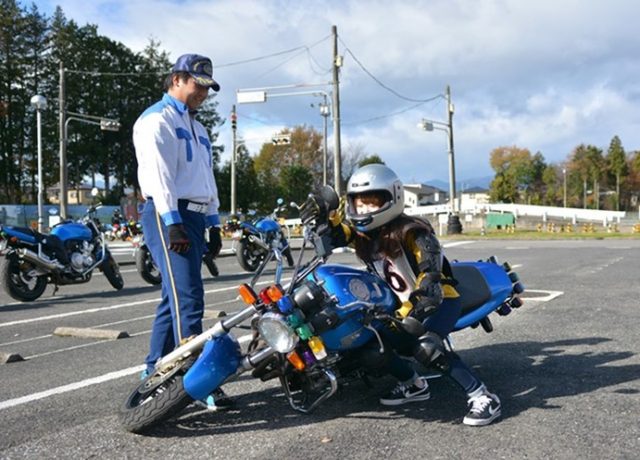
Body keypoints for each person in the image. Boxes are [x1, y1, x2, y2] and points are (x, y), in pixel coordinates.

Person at [300, 164, 501, 426]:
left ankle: (482, 395)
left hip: (439, 300)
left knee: (426, 347)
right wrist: (325, 213)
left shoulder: (412, 231)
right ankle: (413, 385)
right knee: (371, 348)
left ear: (392, 198)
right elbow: (339, 235)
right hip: (400, 304)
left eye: (372, 202)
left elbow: (431, 277)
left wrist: (417, 306)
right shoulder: (363, 234)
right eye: (359, 203)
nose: (364, 210)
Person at [133, 53, 229, 410]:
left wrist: (214, 223)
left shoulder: (198, 127)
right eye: (197, 85)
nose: (202, 93)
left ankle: (152, 372)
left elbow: (206, 178)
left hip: (195, 215)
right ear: (176, 80)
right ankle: (194, 379)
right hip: (167, 213)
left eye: (207, 88)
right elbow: (158, 177)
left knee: (172, 297)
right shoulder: (156, 120)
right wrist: (173, 222)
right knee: (189, 298)